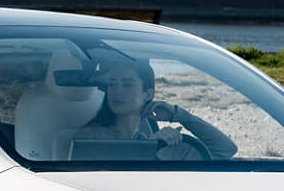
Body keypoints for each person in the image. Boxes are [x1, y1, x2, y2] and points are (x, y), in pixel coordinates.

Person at [80, 50, 238, 160]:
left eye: (127, 84)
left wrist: (180, 115)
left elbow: (226, 150)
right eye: (112, 84)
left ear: (147, 95)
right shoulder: (89, 137)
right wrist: (147, 148)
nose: (117, 92)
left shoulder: (154, 142)